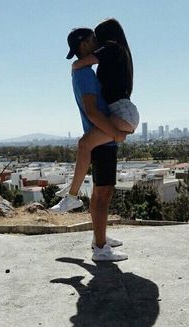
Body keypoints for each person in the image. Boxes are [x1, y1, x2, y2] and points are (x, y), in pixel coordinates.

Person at [51, 26, 129, 261]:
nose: (97, 42)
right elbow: (92, 112)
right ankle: (101, 248)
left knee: (103, 192)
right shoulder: (84, 74)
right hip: (101, 138)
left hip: (101, 137)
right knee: (102, 194)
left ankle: (99, 236)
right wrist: (114, 132)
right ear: (83, 45)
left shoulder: (84, 71)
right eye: (93, 39)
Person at [52, 18, 139, 212]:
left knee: (85, 144)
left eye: (97, 38)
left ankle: (72, 195)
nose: (97, 43)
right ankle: (74, 189)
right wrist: (118, 133)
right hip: (124, 113)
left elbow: (82, 63)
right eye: (94, 39)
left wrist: (75, 65)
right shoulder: (116, 51)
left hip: (123, 113)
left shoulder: (112, 47)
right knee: (86, 145)